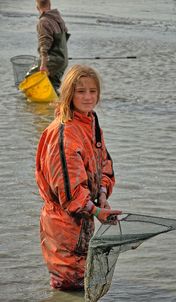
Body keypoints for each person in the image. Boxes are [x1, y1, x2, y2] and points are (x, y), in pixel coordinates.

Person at [35, 64, 122, 290]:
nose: (88, 97)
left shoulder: (91, 122)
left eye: (93, 91)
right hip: (63, 224)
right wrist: (96, 211)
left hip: (84, 218)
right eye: (80, 91)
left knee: (82, 281)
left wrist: (102, 193)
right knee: (67, 286)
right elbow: (69, 189)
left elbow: (103, 162)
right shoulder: (64, 132)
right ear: (68, 93)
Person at [33, 0, 70, 91]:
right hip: (63, 60)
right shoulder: (58, 18)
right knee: (52, 86)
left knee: (30, 77)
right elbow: (65, 36)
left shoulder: (43, 21)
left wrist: (43, 65)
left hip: (52, 61)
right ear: (50, 4)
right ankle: (56, 104)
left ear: (37, 7)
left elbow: (44, 44)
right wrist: (61, 55)